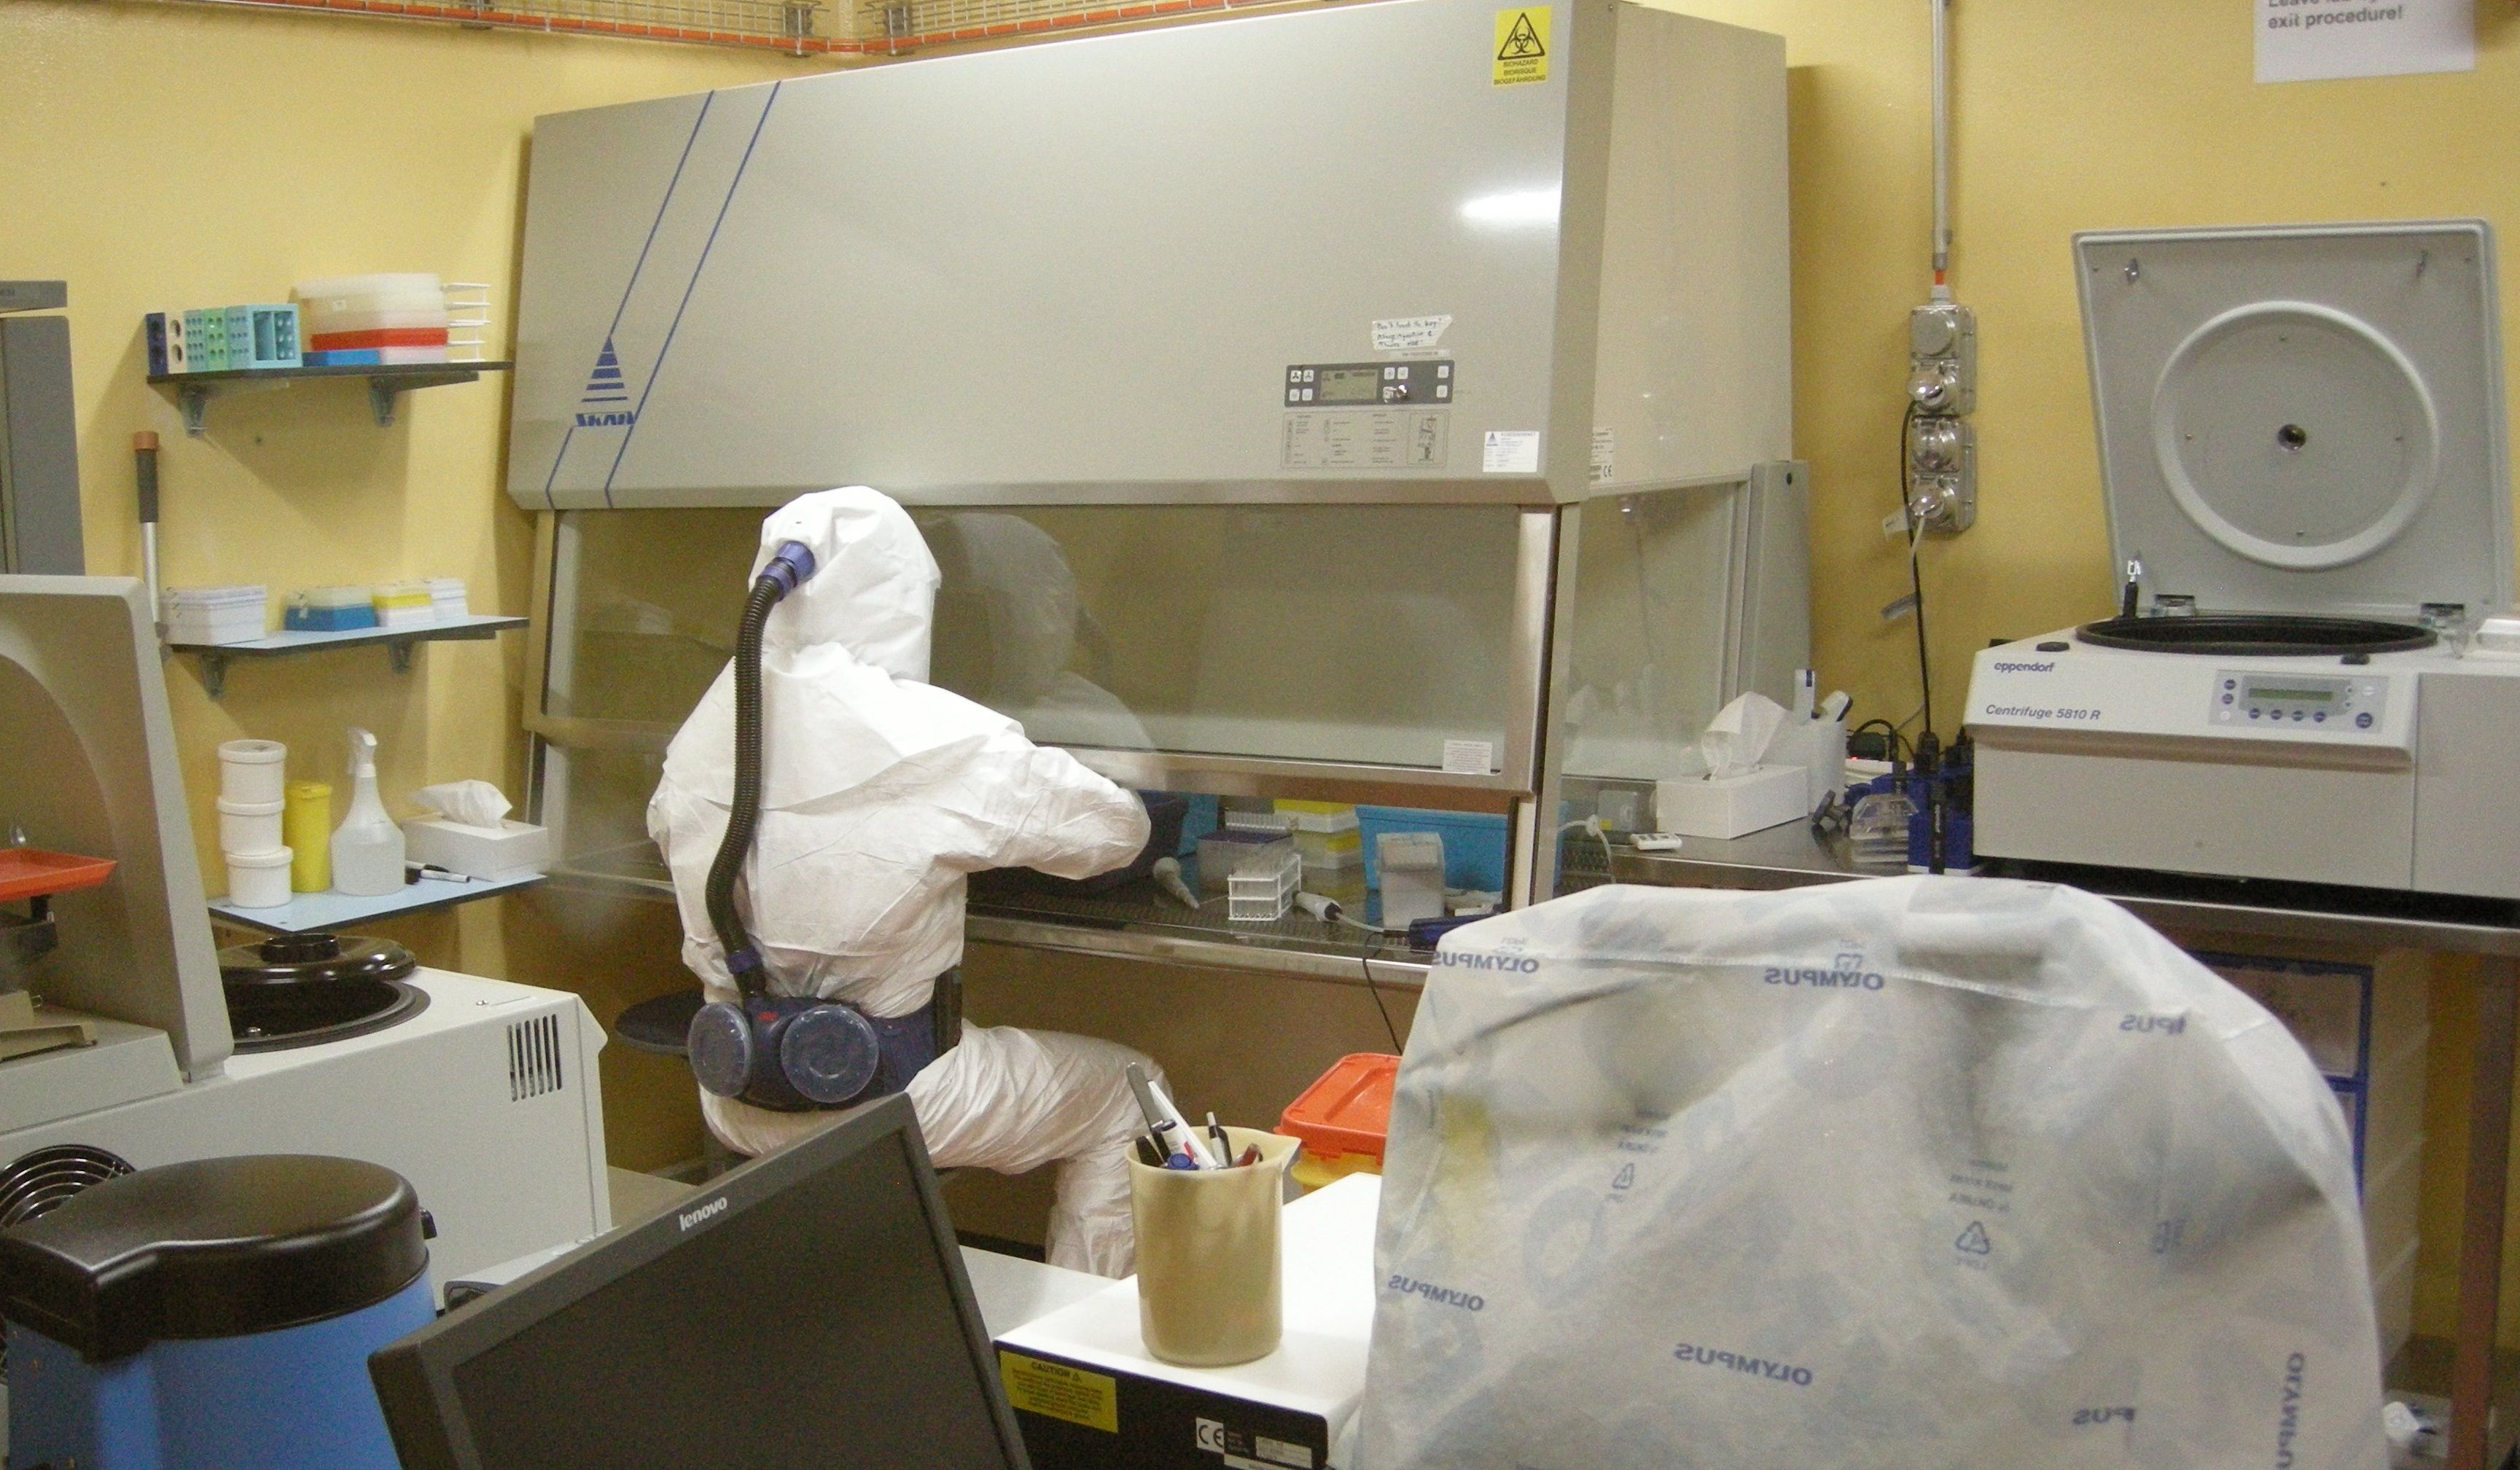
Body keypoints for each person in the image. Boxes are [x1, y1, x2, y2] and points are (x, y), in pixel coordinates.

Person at [648, 487, 1162, 1275]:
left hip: (734, 1095)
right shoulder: (930, 738)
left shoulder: (703, 735)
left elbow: (677, 831)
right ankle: (1073, 1358)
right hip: (893, 1093)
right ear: (899, 600)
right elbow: (1113, 834)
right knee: (1130, 1094)